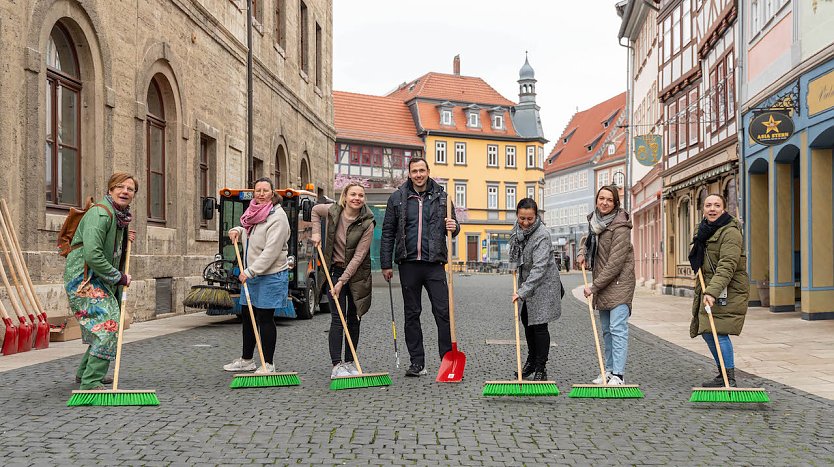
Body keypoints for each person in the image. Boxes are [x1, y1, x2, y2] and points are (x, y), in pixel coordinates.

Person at [380, 157, 459, 377]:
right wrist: (386, 263)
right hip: (409, 264)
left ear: (428, 171)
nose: (418, 175)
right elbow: (388, 231)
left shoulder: (443, 197)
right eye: (414, 171)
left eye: (422, 170)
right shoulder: (397, 198)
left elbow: (453, 226)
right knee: (412, 314)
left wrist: (455, 226)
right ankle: (417, 362)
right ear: (409, 173)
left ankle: (446, 360)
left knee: (443, 313)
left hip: (434, 264)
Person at [64, 172, 138, 390]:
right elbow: (93, 254)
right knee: (109, 324)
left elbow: (109, 248)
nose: (125, 191)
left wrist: (124, 237)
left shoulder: (118, 217)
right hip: (84, 280)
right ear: (110, 190)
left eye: (130, 189)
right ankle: (90, 382)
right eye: (120, 187)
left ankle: (84, 372)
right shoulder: (102, 214)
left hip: (98, 279)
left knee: (103, 324)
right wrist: (119, 277)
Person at [223, 177, 291, 374]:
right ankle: (247, 360)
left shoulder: (278, 217)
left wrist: (250, 271)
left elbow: (271, 251)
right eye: (257, 190)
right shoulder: (252, 211)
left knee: (264, 317)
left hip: (270, 274)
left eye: (265, 190)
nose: (260, 194)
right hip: (252, 275)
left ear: (272, 193)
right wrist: (236, 230)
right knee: (247, 315)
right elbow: (248, 230)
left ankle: (268, 363)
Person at [311, 182, 375, 379]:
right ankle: (336, 365)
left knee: (354, 319)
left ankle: (350, 361)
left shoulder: (368, 222)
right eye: (353, 194)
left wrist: (342, 282)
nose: (357, 198)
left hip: (357, 276)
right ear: (345, 196)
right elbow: (314, 209)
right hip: (334, 271)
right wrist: (316, 232)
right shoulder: (332, 211)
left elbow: (358, 257)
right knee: (338, 319)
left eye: (361, 195)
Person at [576, 185, 635, 386]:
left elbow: (615, 263)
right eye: (601, 198)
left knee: (618, 329)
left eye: (609, 200)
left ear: (616, 203)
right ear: (596, 200)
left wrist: (594, 286)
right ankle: (608, 370)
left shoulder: (620, 227)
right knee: (607, 331)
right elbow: (588, 241)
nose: (604, 203)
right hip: (603, 284)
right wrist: (581, 253)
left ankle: (618, 374)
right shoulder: (595, 222)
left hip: (619, 282)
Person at [688, 193, 749, 388]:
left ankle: (729, 377)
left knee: (719, 331)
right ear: (703, 209)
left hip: (727, 289)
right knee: (708, 331)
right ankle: (723, 373)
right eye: (708, 205)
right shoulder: (703, 230)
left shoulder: (730, 232)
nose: (712, 209)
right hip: (710, 286)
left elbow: (727, 264)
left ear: (723, 209)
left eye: (716, 205)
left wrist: (712, 291)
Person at [509, 198, 562, 381]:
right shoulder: (516, 230)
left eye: (529, 219)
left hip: (544, 284)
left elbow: (539, 268)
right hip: (526, 282)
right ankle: (531, 362)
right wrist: (513, 264)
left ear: (536, 216)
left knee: (539, 325)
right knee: (527, 323)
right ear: (517, 215)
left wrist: (522, 292)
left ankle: (541, 367)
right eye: (522, 218)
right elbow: (514, 251)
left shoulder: (542, 235)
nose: (525, 223)